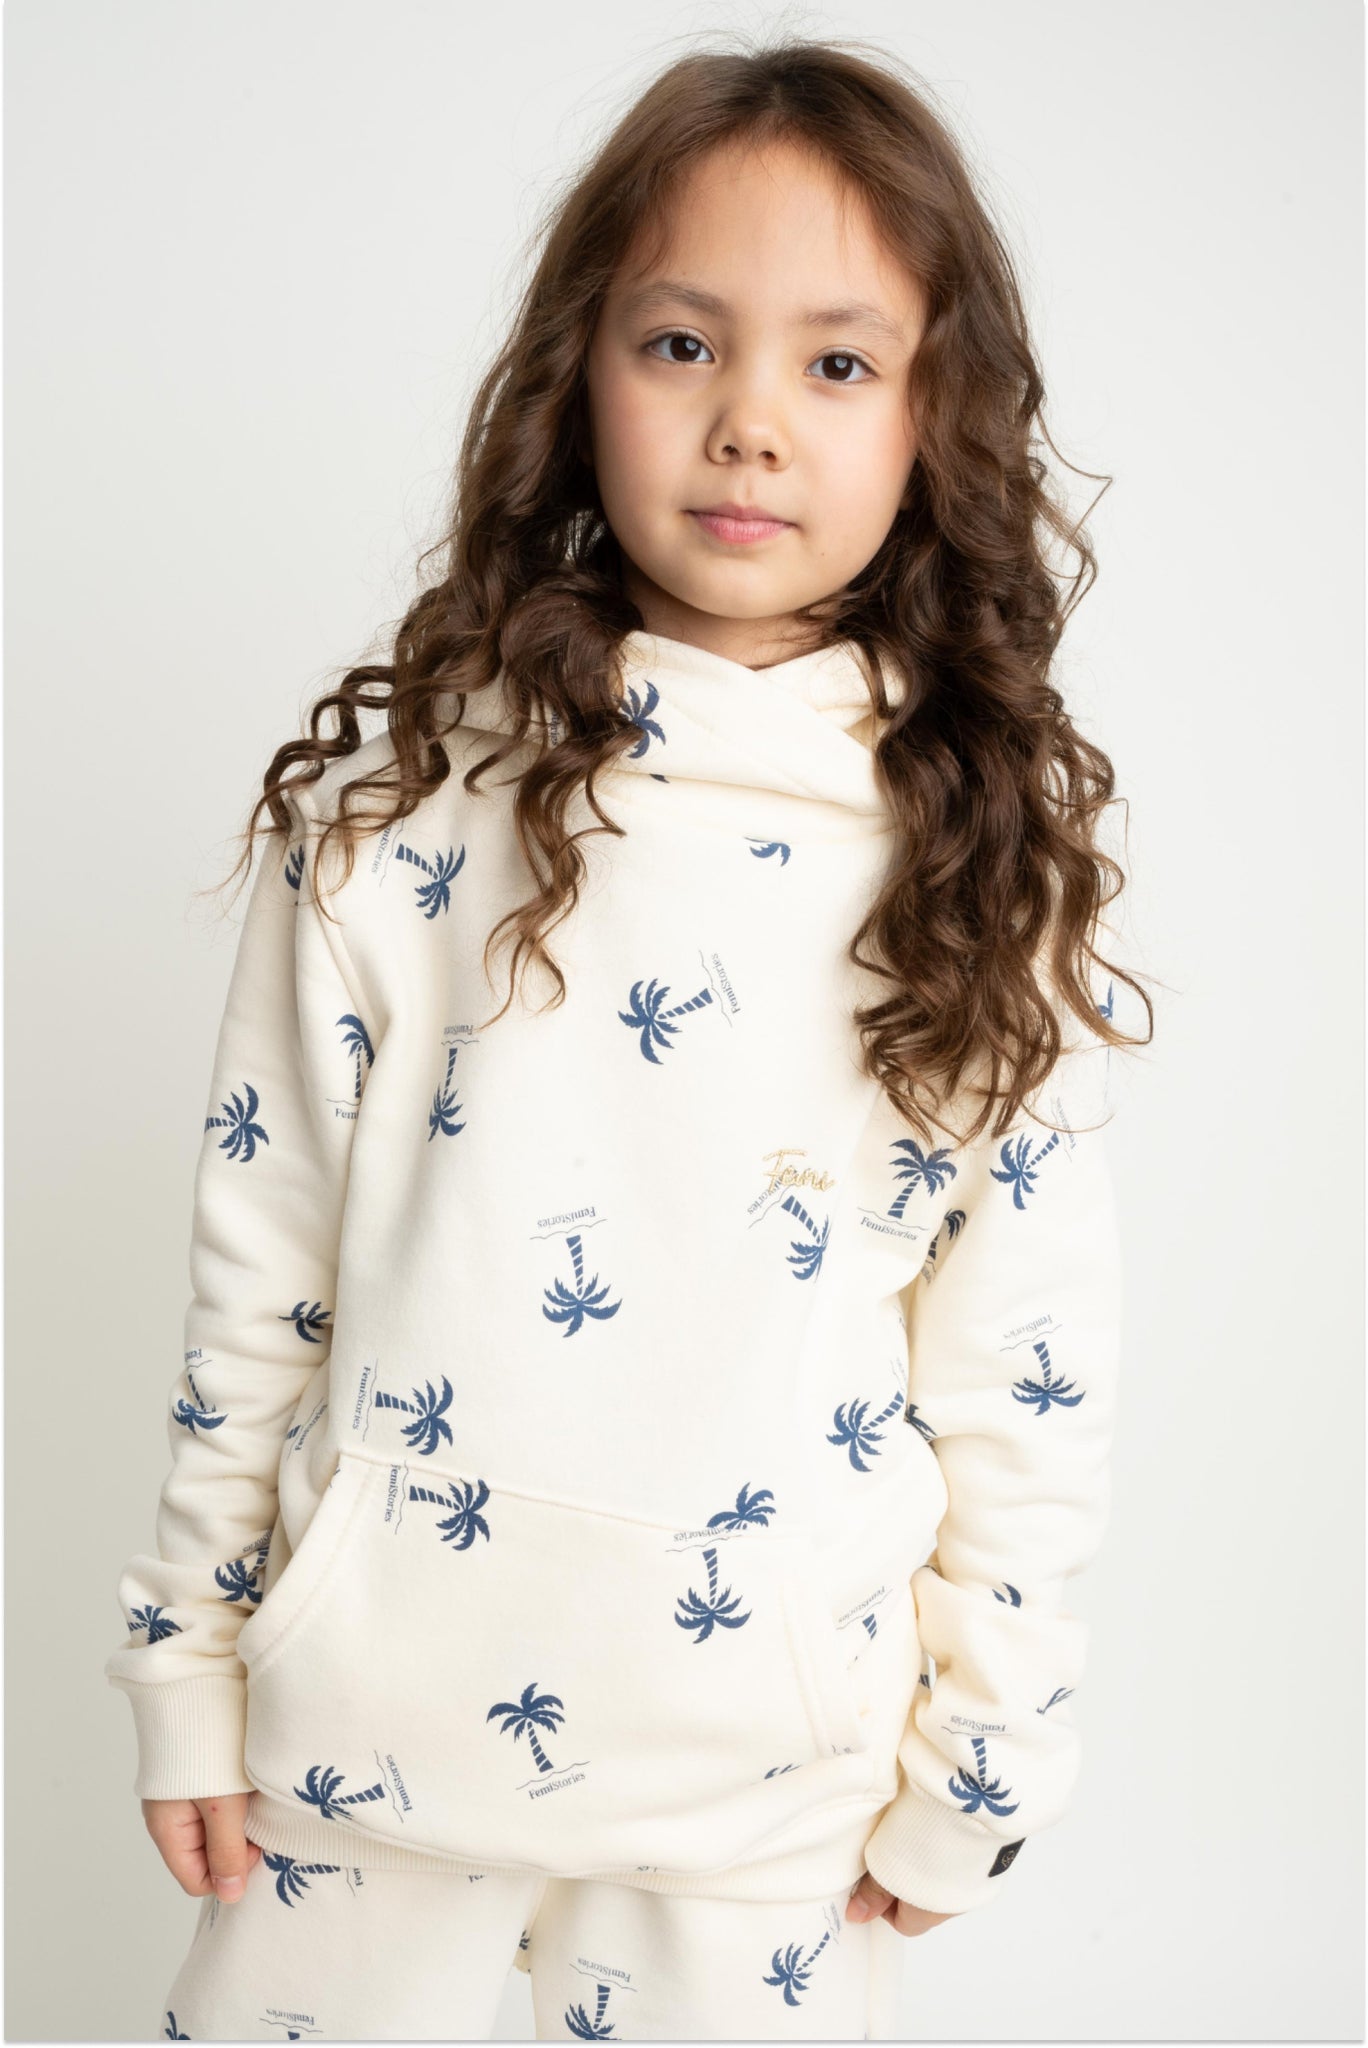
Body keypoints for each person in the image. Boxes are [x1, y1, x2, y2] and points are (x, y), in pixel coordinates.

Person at [106, 32, 1151, 2044]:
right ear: (577, 376)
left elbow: (1025, 1372)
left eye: (836, 363)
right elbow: (259, 1279)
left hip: (766, 1790)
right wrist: (187, 1662)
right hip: (371, 1742)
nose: (750, 421)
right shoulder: (401, 824)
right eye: (683, 343)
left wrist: (987, 1754)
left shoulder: (974, 876)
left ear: (936, 421)